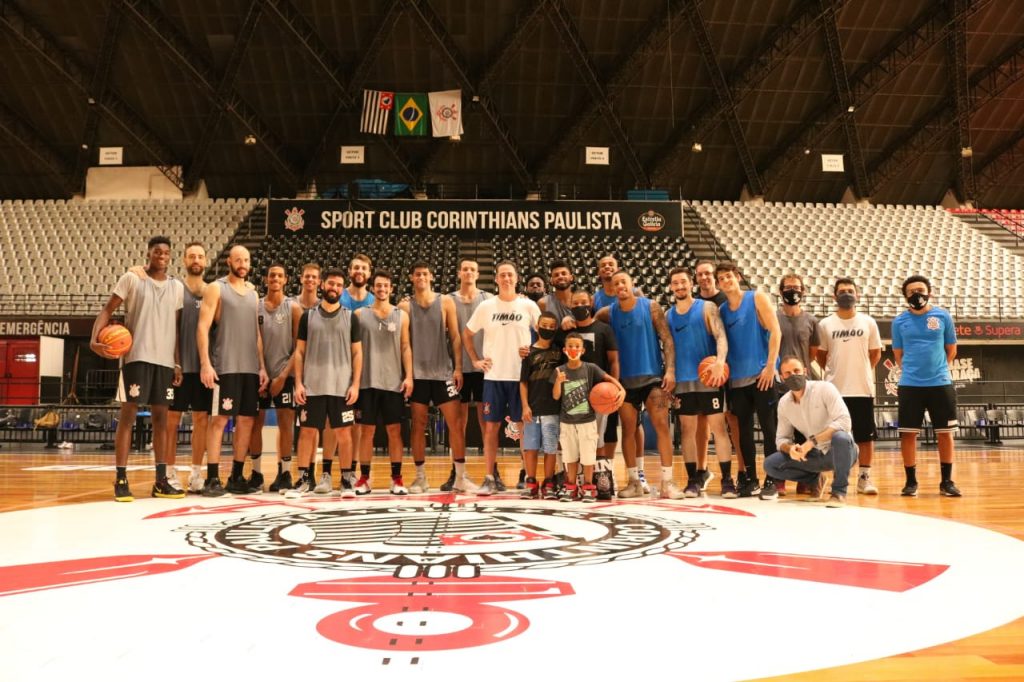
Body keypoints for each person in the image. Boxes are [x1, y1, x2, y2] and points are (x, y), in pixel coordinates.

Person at [91, 236, 184, 502]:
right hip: (136, 357)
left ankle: (161, 480)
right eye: (157, 252)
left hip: (164, 361)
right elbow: (107, 310)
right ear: (149, 253)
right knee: (128, 416)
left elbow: (174, 328)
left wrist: (176, 362)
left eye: (166, 252)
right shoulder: (132, 278)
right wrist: (94, 340)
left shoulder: (176, 287)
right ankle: (121, 478)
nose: (162, 256)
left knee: (161, 422)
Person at [595, 270, 679, 499]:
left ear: (632, 284)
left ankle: (667, 481)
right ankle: (634, 481)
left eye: (624, 281)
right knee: (628, 430)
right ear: (610, 289)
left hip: (652, 377)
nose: (620, 285)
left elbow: (667, 338)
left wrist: (670, 370)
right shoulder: (606, 313)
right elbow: (587, 324)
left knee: (661, 425)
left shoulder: (651, 306)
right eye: (615, 283)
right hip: (624, 383)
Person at [196, 244, 268, 496]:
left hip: (250, 368)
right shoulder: (217, 288)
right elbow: (203, 327)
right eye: (238, 259)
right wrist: (206, 363)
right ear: (229, 261)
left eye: (246, 260)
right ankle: (212, 478)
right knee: (219, 421)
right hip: (225, 366)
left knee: (247, 420)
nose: (243, 264)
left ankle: (236, 476)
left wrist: (262, 367)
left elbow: (256, 334)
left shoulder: (253, 293)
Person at [464, 261, 541, 495]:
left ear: (516, 279)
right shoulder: (486, 307)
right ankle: (489, 477)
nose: (506, 279)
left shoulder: (528, 306)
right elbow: (466, 334)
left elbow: (544, 336)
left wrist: (534, 350)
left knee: (524, 429)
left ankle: (528, 478)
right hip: (494, 376)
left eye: (510, 275)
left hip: (521, 377)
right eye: (502, 275)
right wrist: (476, 360)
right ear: (496, 279)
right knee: (491, 427)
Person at [399, 261, 476, 493]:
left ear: (431, 277)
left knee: (456, 424)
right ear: (412, 278)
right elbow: (405, 344)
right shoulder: (404, 307)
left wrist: (458, 368)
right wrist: (409, 375)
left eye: (425, 274)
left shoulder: (445, 302)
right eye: (417, 274)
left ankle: (460, 477)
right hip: (419, 375)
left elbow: (455, 337)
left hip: (443, 372)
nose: (421, 277)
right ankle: (421, 477)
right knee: (418, 425)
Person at [287, 268, 362, 497]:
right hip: (312, 387)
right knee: (307, 433)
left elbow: (358, 353)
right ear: (323, 285)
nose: (335, 288)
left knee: (344, 434)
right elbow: (299, 352)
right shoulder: (308, 316)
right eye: (331, 284)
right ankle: (304, 479)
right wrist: (298, 383)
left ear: (342, 289)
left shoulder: (351, 317)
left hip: (341, 388)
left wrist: (355, 384)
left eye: (339, 285)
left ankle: (347, 480)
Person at [666, 267, 735, 498]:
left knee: (718, 428)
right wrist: (671, 372)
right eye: (675, 283)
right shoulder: (668, 315)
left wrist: (720, 361)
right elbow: (669, 349)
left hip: (709, 378)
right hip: (683, 381)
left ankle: (727, 480)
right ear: (670, 287)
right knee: (687, 430)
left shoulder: (707, 307)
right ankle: (693, 480)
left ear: (691, 284)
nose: (680, 286)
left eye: (683, 282)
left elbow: (721, 337)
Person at [715, 261, 782, 499]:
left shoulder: (756, 298)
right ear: (718, 284)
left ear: (738, 277)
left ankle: (772, 480)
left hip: (762, 375)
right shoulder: (722, 310)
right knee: (742, 433)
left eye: (729, 276)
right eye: (721, 278)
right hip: (737, 380)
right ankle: (751, 479)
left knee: (769, 429)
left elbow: (776, 331)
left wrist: (771, 366)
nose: (726, 281)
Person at [892, 275, 961, 497]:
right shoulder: (899, 322)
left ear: (929, 292)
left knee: (945, 433)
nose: (916, 294)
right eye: (911, 292)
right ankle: (911, 481)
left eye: (920, 290)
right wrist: (914, 372)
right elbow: (898, 355)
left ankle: (947, 482)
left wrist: (937, 369)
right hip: (910, 385)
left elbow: (951, 349)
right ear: (905, 296)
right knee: (908, 434)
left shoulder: (942, 316)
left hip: (940, 384)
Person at [817, 278, 882, 495]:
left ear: (858, 295)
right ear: (834, 296)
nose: (846, 294)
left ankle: (864, 478)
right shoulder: (825, 324)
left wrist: (859, 370)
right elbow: (821, 356)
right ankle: (838, 475)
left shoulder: (868, 322)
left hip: (862, 388)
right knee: (835, 436)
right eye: (842, 291)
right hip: (834, 390)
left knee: (865, 436)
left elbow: (875, 354)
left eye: (850, 290)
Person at [763, 356, 855, 507]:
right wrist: (790, 448)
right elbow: (781, 439)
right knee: (770, 465)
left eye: (796, 370)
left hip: (840, 451)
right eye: (787, 373)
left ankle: (839, 492)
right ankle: (815, 480)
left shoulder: (825, 388)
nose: (793, 375)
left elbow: (844, 421)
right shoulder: (784, 403)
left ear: (805, 371)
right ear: (781, 377)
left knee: (841, 437)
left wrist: (812, 442)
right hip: (813, 456)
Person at [353, 269, 413, 494]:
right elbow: (355, 350)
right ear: (372, 287)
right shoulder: (360, 315)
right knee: (366, 431)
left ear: (391, 289)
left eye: (385, 285)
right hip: (367, 382)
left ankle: (396, 479)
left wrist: (408, 376)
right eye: (378, 285)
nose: (382, 289)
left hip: (393, 383)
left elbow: (406, 347)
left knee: (394, 431)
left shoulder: (401, 315)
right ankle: (364, 478)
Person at [552, 332, 625, 502]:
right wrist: (558, 382)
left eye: (577, 346)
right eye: (570, 346)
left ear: (582, 350)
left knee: (588, 457)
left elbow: (608, 377)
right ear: (564, 349)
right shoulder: (560, 371)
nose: (573, 349)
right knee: (569, 456)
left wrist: (621, 389)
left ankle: (588, 487)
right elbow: (556, 396)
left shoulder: (590, 368)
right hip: (567, 421)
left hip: (587, 421)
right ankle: (570, 487)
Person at [165, 242, 212, 494]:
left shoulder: (211, 291)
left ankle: (196, 473)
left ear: (206, 261)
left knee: (201, 420)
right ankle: (169, 473)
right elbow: (171, 328)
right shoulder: (175, 288)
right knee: (171, 421)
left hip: (203, 368)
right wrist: (175, 362)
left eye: (200, 256)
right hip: (178, 367)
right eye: (192, 256)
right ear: (184, 260)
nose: (196, 260)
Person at [250, 264, 301, 493]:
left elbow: (299, 347)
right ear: (266, 278)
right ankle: (257, 473)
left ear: (286, 279)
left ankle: (285, 472)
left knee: (285, 424)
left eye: (280, 275)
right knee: (255, 423)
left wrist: (282, 376)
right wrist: (262, 370)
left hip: (285, 374)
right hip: (260, 374)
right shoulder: (256, 306)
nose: (275, 279)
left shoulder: (294, 308)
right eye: (272, 275)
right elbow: (255, 340)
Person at [442, 258, 492, 491]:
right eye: (465, 269)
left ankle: (492, 473)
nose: (469, 272)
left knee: (487, 423)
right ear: (459, 273)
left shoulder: (489, 299)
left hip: (484, 367)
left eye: (473, 269)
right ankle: (457, 472)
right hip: (457, 368)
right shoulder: (447, 300)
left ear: (478, 273)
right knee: (457, 423)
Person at [567, 289, 619, 499]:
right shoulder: (567, 332)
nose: (580, 306)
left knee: (596, 439)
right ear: (570, 306)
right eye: (575, 303)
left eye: (583, 302)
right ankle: (574, 481)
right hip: (572, 393)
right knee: (571, 439)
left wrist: (614, 387)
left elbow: (614, 360)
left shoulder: (603, 329)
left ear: (591, 303)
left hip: (598, 394)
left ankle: (600, 482)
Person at [693, 259, 731, 492]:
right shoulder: (694, 303)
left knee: (730, 420)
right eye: (700, 274)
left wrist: (722, 361)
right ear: (695, 278)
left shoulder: (725, 301)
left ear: (714, 277)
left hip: (726, 366)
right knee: (700, 421)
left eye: (708, 274)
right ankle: (701, 469)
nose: (705, 278)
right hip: (703, 370)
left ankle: (737, 472)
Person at [519, 312, 564, 499]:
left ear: (555, 329)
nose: (548, 328)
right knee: (530, 448)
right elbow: (523, 382)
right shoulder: (529, 353)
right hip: (533, 409)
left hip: (553, 409)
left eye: (552, 326)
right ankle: (531, 481)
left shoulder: (560, 353)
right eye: (544, 325)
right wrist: (525, 406)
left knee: (550, 448)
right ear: (537, 327)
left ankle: (548, 482)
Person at [777, 273, 821, 378]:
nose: (792, 290)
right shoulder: (772, 320)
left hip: (804, 379)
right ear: (781, 291)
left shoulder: (812, 321)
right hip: (779, 380)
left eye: (796, 287)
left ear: (803, 291)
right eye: (788, 287)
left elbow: (812, 354)